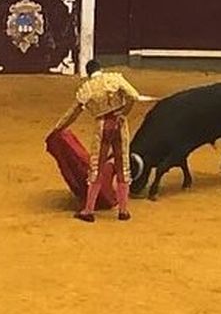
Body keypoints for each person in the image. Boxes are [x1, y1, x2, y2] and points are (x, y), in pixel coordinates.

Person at [46, 60, 157, 223]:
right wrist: (123, 113)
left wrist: (58, 128)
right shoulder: (114, 79)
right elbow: (133, 96)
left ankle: (88, 211)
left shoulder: (88, 88)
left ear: (89, 73)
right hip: (120, 125)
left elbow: (73, 113)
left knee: (96, 167)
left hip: (102, 126)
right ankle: (123, 211)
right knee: (122, 165)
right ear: (101, 69)